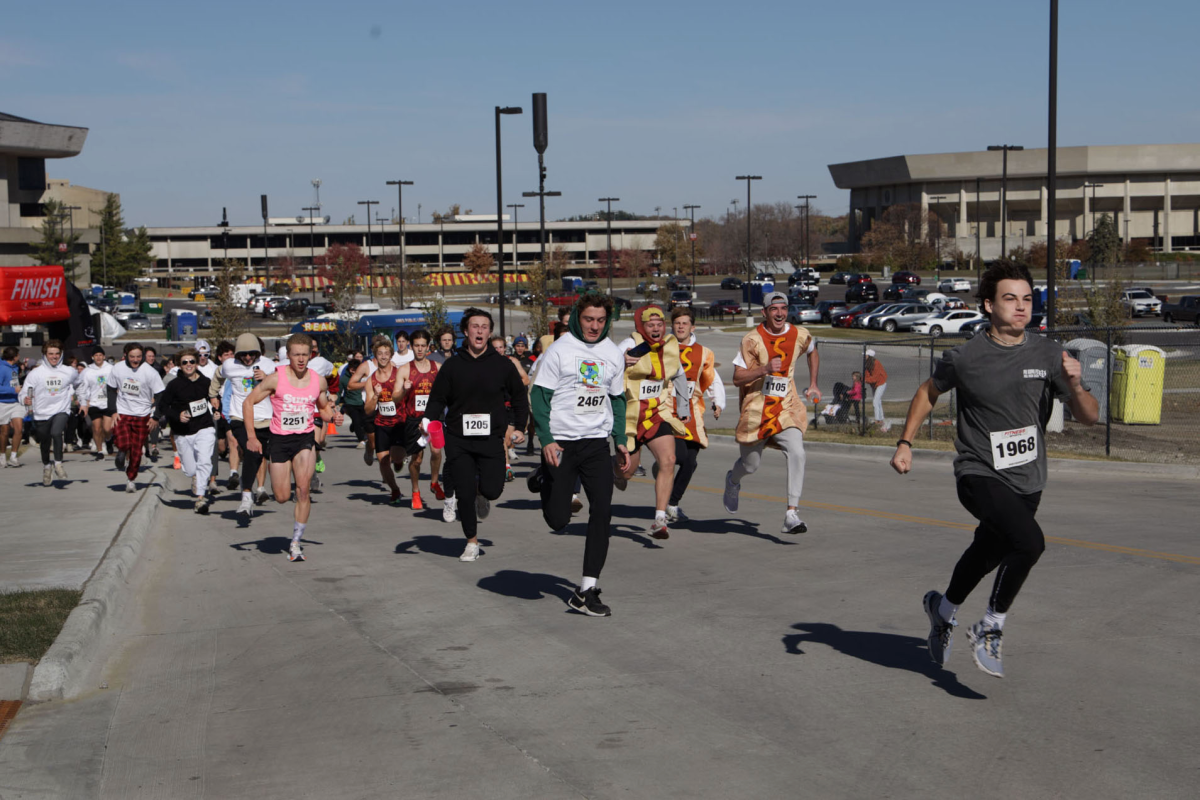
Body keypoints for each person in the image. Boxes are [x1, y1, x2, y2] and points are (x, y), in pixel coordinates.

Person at [891, 262, 1098, 679]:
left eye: (1027, 299)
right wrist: (905, 442)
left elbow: (1089, 417)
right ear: (988, 305)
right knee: (1029, 543)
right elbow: (927, 392)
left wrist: (1075, 385)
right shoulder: (966, 357)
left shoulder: (1048, 353)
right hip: (978, 470)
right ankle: (990, 626)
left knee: (989, 551)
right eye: (1010, 298)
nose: (1021, 307)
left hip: (1029, 478)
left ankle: (943, 609)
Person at [530, 295, 629, 616]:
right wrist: (545, 439)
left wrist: (621, 440)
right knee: (558, 521)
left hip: (596, 444)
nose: (594, 326)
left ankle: (587, 589)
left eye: (600, 321)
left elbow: (616, 400)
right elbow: (540, 397)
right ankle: (545, 476)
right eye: (589, 319)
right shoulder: (560, 350)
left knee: (602, 511)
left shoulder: (612, 354)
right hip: (561, 443)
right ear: (577, 317)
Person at [422, 308, 528, 562]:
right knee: (465, 492)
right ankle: (471, 542)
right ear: (466, 331)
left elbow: (519, 398)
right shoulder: (453, 366)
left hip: (492, 437)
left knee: (492, 490)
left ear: (490, 332)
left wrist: (519, 426)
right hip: (459, 438)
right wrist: (428, 420)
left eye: (484, 327)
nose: (479, 331)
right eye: (474, 326)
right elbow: (437, 399)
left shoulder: (503, 365)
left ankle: (483, 491)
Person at [723, 292, 821, 535]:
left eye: (783, 308)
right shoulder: (751, 340)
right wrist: (765, 368)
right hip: (756, 410)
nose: (779, 313)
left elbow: (812, 349)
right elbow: (737, 378)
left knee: (798, 451)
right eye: (774, 308)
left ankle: (791, 513)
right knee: (750, 465)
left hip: (787, 407)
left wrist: (814, 383)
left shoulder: (799, 334)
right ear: (764, 312)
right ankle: (733, 481)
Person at [244, 333, 343, 562]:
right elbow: (248, 402)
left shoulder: (318, 380)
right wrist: (252, 437)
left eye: (305, 355)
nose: (300, 359)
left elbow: (323, 409)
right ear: (287, 355)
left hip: (304, 440)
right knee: (281, 496)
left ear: (311, 355)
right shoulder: (275, 379)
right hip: (279, 440)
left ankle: (296, 542)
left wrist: (332, 417)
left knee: (303, 490)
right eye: (296, 354)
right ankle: (287, 508)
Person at [614, 305, 690, 539]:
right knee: (627, 472)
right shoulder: (628, 346)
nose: (656, 329)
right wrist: (621, 364)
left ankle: (659, 519)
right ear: (641, 327)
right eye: (650, 325)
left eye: (659, 324)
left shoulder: (669, 346)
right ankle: (613, 470)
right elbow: (609, 371)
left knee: (669, 460)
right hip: (630, 417)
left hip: (657, 414)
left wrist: (683, 405)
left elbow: (678, 373)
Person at [663, 307, 726, 523]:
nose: (680, 326)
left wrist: (717, 403)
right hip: (667, 411)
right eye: (677, 323)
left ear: (692, 327)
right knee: (677, 456)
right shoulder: (662, 348)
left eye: (684, 323)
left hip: (692, 414)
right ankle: (663, 463)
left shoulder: (704, 352)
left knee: (690, 463)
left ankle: (672, 503)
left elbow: (712, 379)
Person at [212, 333, 276, 517]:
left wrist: (267, 377)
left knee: (260, 456)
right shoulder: (229, 365)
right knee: (250, 451)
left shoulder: (268, 365)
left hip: (264, 418)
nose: (248, 358)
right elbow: (217, 377)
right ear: (237, 353)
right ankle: (246, 496)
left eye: (252, 354)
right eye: (244, 354)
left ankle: (257, 489)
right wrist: (213, 395)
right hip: (238, 416)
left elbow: (280, 386)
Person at [157, 347, 216, 513]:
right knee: (190, 469)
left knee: (204, 461)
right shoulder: (174, 385)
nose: (189, 365)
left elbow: (214, 399)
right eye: (185, 363)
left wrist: (217, 408)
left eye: (192, 361)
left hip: (204, 427)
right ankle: (196, 478)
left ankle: (200, 498)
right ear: (179, 366)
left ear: (197, 363)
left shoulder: (206, 383)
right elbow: (163, 406)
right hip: (183, 432)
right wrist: (177, 415)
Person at [17, 340, 82, 486]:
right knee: (45, 442)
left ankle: (58, 463)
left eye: (57, 354)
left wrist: (81, 400)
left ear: (61, 354)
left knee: (56, 432)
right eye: (51, 354)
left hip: (61, 409)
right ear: (45, 355)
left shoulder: (69, 371)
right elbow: (23, 393)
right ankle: (47, 466)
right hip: (41, 412)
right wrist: (24, 400)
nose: (54, 357)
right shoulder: (36, 373)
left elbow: (79, 384)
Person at [108, 342, 166, 493]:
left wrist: (155, 417)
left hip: (142, 414)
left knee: (136, 450)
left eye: (139, 357)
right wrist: (113, 411)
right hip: (123, 411)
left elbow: (161, 395)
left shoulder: (150, 372)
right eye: (132, 357)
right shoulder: (118, 368)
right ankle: (121, 451)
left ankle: (131, 479)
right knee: (123, 440)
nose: (135, 360)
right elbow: (110, 389)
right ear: (125, 355)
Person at [361, 335, 408, 506]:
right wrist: (376, 395)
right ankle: (394, 489)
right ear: (375, 355)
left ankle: (399, 459)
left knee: (396, 456)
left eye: (386, 353)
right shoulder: (371, 381)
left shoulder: (399, 374)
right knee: (382, 460)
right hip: (382, 423)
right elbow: (367, 410)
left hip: (399, 422)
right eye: (379, 353)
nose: (383, 356)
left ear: (390, 355)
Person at [400, 329, 444, 509]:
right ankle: (415, 491)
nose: (420, 349)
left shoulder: (437, 368)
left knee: (436, 451)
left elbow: (444, 394)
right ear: (411, 346)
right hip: (413, 419)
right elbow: (396, 397)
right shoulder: (405, 369)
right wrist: (403, 389)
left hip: (433, 418)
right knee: (416, 459)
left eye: (423, 346)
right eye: (416, 346)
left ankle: (434, 482)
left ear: (428, 346)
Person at [491, 334, 530, 481]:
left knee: (508, 441)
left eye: (501, 347)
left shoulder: (511, 362)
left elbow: (525, 380)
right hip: (496, 406)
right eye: (495, 348)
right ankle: (506, 466)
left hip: (510, 405)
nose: (499, 350)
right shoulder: (487, 363)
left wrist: (510, 386)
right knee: (502, 438)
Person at [306, 341, 336, 480]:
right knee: (308, 444)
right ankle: (309, 475)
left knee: (318, 441)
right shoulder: (289, 361)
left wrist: (333, 392)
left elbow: (334, 374)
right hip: (299, 409)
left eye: (314, 347)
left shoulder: (321, 362)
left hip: (318, 407)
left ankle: (316, 458)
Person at [78, 347, 114, 460]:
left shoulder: (111, 369)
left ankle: (108, 440)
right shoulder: (87, 371)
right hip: (94, 403)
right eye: (96, 355)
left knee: (107, 429)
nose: (98, 357)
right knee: (97, 428)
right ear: (92, 357)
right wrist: (83, 403)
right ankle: (99, 450)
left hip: (108, 403)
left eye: (100, 355)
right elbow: (82, 388)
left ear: (104, 356)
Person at [336, 349, 368, 447]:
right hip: (350, 404)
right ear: (351, 370)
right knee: (357, 421)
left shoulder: (361, 377)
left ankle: (354, 425)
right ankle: (361, 441)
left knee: (364, 420)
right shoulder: (344, 379)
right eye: (354, 371)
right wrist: (336, 403)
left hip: (360, 402)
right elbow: (338, 391)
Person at [0, 346, 24, 467]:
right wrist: (12, 389)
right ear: (14, 357)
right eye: (18, 355)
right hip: (2, 403)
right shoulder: (1, 368)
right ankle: (2, 455)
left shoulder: (16, 367)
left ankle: (14, 457)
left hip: (16, 402)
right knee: (4, 432)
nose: (19, 357)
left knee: (19, 428)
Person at [865, 349, 888, 431]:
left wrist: (865, 380)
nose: (864, 356)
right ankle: (881, 418)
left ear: (870, 356)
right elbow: (867, 375)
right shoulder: (867, 364)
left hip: (881, 383)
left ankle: (878, 419)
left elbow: (875, 377)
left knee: (875, 401)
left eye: (866, 355)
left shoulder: (876, 363)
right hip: (874, 385)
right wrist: (865, 379)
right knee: (878, 401)